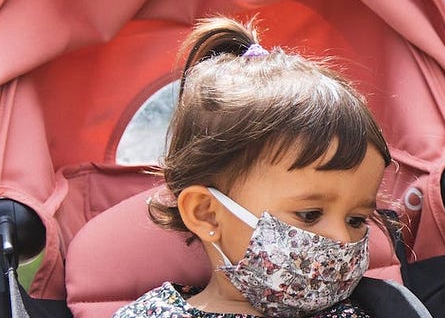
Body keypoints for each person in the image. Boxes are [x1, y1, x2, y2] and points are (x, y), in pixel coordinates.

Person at [116, 17, 393, 318]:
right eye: (309, 215)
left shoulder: (371, 311)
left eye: (356, 220)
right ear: (206, 213)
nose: (342, 239)